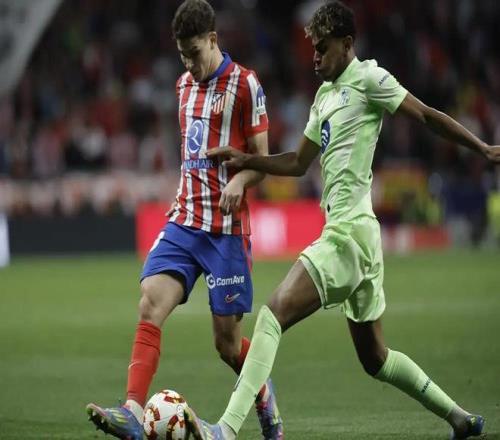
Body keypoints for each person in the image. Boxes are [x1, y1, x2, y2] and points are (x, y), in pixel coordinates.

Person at [185, 1, 500, 439]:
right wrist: (245, 158)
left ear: (347, 44)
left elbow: (427, 115)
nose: (314, 57)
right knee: (376, 359)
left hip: (348, 235)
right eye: (312, 49)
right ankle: (460, 418)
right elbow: (298, 163)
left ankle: (225, 429)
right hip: (358, 239)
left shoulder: (369, 79)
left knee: (272, 315)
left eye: (323, 48)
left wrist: (482, 148)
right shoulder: (324, 97)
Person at [85, 1, 283, 439]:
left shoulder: (245, 84)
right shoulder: (182, 86)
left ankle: (262, 390)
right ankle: (132, 412)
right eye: (182, 55)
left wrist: (240, 180)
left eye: (194, 53)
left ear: (213, 39)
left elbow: (263, 160)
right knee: (150, 303)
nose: (189, 64)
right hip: (184, 221)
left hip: (226, 231)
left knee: (226, 345)